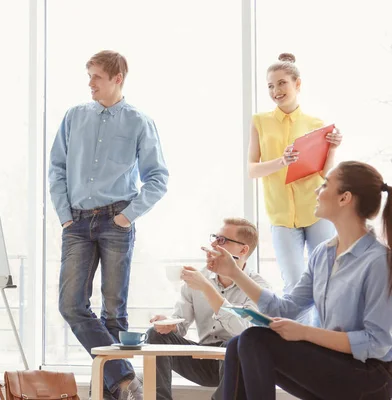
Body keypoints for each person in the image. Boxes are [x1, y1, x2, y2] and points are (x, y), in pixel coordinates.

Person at [205, 161, 392, 399]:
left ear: (345, 198)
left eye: (325, 185)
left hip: (369, 377)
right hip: (335, 365)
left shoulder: (378, 261)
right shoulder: (323, 254)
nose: (316, 191)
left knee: (254, 339)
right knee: (237, 345)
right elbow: (285, 308)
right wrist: (234, 272)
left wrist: (304, 332)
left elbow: (377, 343)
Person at [49, 50, 169, 400]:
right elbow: (56, 167)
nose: (90, 83)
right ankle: (126, 379)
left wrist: (125, 217)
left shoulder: (138, 122)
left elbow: (158, 177)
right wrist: (65, 214)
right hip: (77, 222)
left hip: (117, 221)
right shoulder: (74, 117)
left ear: (118, 78)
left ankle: (113, 392)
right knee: (71, 305)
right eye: (89, 75)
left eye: (97, 76)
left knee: (113, 313)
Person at [248, 53, 342, 323]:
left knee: (327, 281)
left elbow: (326, 173)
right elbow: (252, 169)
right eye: (270, 86)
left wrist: (333, 147)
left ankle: (322, 341)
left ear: (297, 84)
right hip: (280, 215)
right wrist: (281, 161)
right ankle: (298, 347)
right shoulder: (260, 122)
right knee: (293, 284)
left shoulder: (315, 124)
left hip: (315, 210)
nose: (275, 91)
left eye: (281, 84)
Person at [146, 218, 270, 400]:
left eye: (222, 240)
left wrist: (207, 289)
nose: (213, 244)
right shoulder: (199, 277)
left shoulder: (259, 287)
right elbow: (181, 324)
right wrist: (169, 325)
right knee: (155, 335)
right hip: (202, 358)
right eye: (215, 238)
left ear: (243, 250)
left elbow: (244, 331)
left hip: (235, 362)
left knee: (236, 343)